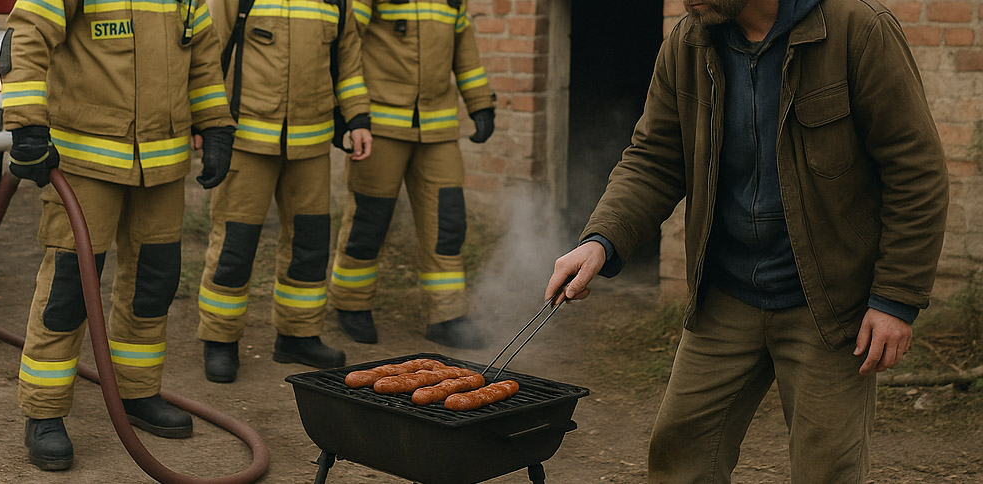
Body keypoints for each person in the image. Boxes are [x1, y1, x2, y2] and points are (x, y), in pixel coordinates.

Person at [545, 0, 948, 482]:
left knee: (827, 471)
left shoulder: (858, 31)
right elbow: (654, 158)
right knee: (680, 455)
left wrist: (896, 299)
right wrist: (601, 240)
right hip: (725, 296)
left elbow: (916, 171)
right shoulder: (688, 42)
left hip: (828, 304)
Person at [1, 0, 235, 470]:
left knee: (154, 283)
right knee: (68, 288)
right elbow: (25, 36)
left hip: (163, 165)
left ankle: (137, 391)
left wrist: (215, 126)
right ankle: (43, 412)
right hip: (85, 163)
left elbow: (204, 57)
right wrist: (27, 124)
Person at [196, 0, 372, 382]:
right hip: (246, 140)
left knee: (309, 244)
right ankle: (220, 338)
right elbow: (209, 52)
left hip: (311, 145)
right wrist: (207, 123)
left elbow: (348, 63)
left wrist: (357, 117)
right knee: (234, 244)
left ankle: (298, 334)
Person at [329, 0, 496, 349]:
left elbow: (463, 46)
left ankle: (447, 314)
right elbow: (347, 43)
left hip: (438, 129)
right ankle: (351, 303)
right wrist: (349, 109)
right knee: (368, 219)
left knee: (447, 223)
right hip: (380, 124)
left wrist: (480, 102)